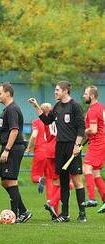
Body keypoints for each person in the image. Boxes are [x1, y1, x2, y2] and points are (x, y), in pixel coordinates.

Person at [29, 81, 87, 222]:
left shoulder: (75, 106)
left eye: (57, 90)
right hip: (59, 148)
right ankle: (65, 214)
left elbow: (81, 127)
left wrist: (77, 145)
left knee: (77, 181)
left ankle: (82, 213)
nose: (55, 92)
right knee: (63, 182)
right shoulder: (57, 106)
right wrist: (36, 106)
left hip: (72, 146)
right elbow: (48, 121)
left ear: (65, 90)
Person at [0, 82, 32, 224]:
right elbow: (7, 132)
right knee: (5, 182)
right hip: (9, 147)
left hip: (13, 149)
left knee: (10, 181)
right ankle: (23, 211)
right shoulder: (7, 110)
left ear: (7, 93)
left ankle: (15, 215)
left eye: (0, 93)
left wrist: (7, 150)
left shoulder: (12, 109)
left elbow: (15, 131)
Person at [82, 86, 105, 213]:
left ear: (92, 96)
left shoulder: (93, 110)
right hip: (100, 142)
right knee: (96, 173)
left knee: (86, 168)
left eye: (85, 94)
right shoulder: (100, 107)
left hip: (98, 143)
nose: (84, 96)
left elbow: (93, 129)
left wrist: (83, 131)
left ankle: (91, 198)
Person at [25, 109, 48, 194]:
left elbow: (34, 136)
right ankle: (51, 201)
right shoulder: (54, 123)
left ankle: (40, 180)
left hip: (40, 151)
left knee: (35, 176)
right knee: (51, 177)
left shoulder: (37, 122)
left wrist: (29, 148)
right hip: (52, 152)